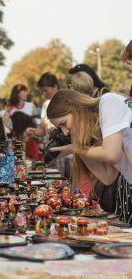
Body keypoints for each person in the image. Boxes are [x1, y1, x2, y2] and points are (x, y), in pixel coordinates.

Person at [47, 89, 132, 223]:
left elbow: (111, 155)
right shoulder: (99, 127)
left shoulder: (108, 102)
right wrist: (79, 145)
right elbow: (108, 177)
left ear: (74, 107)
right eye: (60, 129)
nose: (65, 132)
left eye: (64, 123)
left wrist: (77, 148)